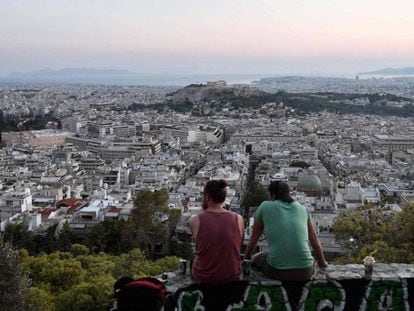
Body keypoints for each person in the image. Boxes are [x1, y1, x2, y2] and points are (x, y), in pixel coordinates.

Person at [244, 181, 328, 281]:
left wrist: (247, 260)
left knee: (257, 256)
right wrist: (322, 263)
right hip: (306, 270)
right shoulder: (302, 209)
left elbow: (254, 238)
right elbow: (314, 238)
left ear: (273, 195)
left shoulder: (265, 206)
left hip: (278, 271)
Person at [188, 179, 244, 284]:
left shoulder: (194, 221)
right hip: (233, 275)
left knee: (194, 259)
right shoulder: (238, 219)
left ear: (207, 197)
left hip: (204, 277)